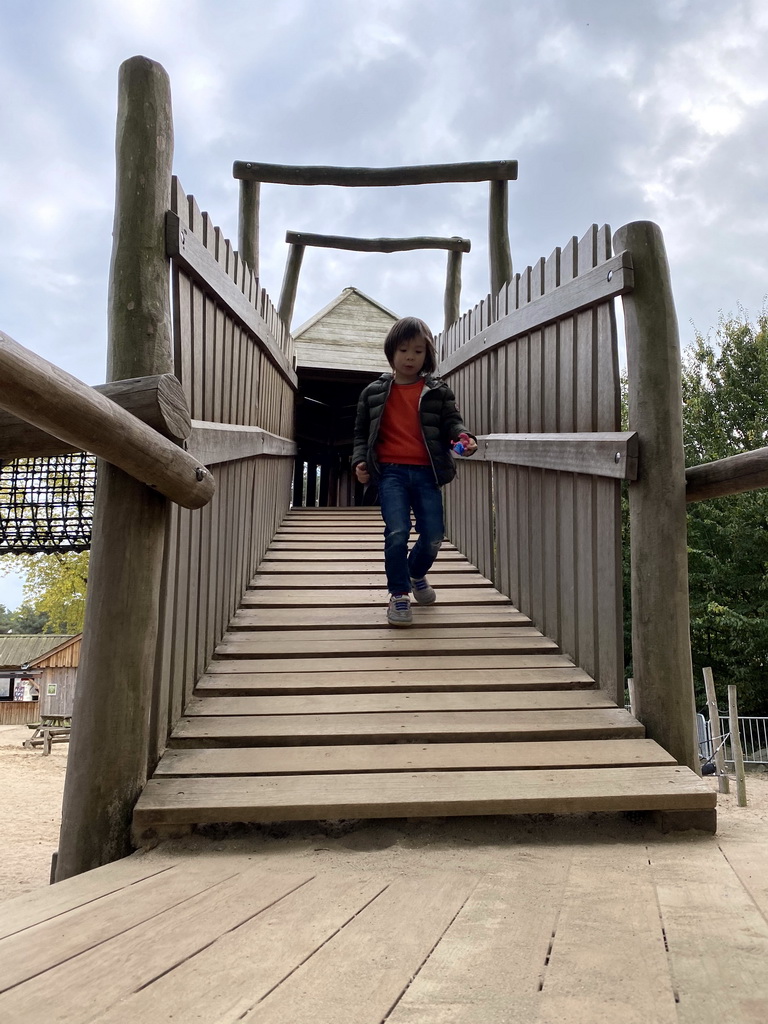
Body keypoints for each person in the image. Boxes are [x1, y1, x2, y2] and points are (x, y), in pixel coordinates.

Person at [352, 316, 477, 626]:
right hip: (391, 472)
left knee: (434, 535)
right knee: (397, 532)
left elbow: (452, 423)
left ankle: (416, 573)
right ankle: (399, 595)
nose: (410, 357)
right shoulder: (372, 392)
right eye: (404, 350)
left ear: (427, 355)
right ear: (391, 352)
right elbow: (359, 435)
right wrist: (359, 463)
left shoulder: (437, 390)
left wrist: (463, 437)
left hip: (426, 473)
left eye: (418, 351)